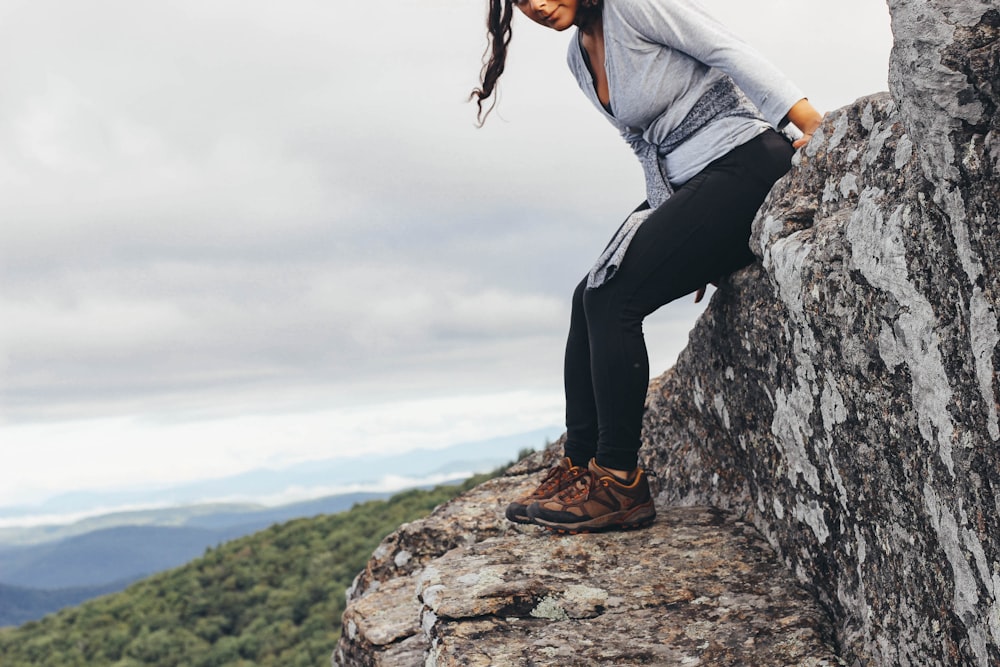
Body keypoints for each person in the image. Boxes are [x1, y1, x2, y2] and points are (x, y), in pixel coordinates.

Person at [471, 0, 823, 533]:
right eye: (520, 0)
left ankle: (619, 480)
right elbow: (640, 143)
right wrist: (681, 233)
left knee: (613, 300)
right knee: (587, 294)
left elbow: (729, 51)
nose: (537, 5)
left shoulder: (634, 7)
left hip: (746, 161)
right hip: (688, 185)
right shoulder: (578, 57)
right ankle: (581, 468)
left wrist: (816, 129)